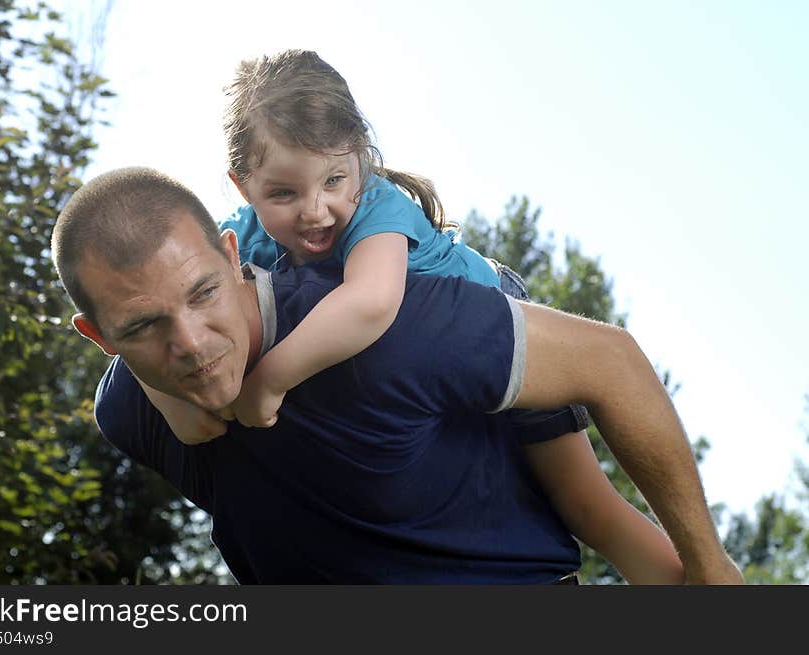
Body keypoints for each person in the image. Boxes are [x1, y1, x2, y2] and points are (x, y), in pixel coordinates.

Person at [131, 49, 685, 582]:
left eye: (333, 180)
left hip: (499, 316)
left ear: (359, 156)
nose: (315, 209)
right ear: (240, 185)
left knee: (584, 503)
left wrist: (271, 380)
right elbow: (159, 307)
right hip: (438, 384)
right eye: (282, 193)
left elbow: (369, 304)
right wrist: (168, 394)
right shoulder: (239, 236)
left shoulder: (378, 207)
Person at [51, 166, 743, 584]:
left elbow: (612, 361)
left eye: (203, 293)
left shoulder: (385, 329)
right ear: (99, 337)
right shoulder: (128, 414)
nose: (192, 344)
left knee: (594, 504)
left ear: (233, 255)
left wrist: (709, 566)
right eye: (143, 327)